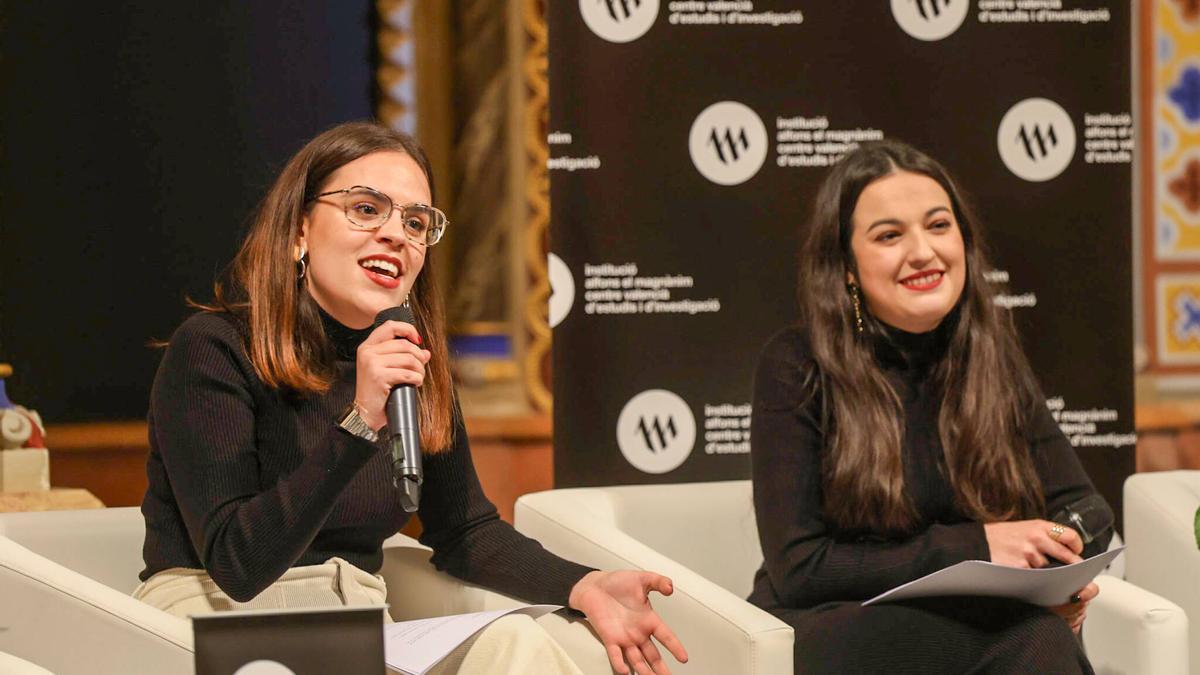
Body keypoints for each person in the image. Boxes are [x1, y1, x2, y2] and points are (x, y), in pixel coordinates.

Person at [134, 121, 688, 675]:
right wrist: (360, 421)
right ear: (299, 230)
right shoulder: (214, 349)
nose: (397, 235)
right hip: (215, 624)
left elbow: (464, 531)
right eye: (367, 209)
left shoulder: (410, 362)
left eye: (416, 222)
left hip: (355, 624)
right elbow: (237, 562)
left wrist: (583, 584)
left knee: (516, 644)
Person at [749, 139, 1114, 674]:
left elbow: (1086, 507)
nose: (923, 251)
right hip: (831, 624)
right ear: (846, 267)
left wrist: (1056, 559)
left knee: (1032, 633)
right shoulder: (797, 363)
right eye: (889, 235)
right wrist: (977, 546)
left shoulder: (991, 358)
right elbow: (800, 568)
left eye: (939, 226)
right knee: (1031, 639)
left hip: (980, 619)